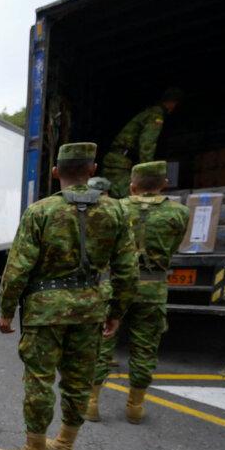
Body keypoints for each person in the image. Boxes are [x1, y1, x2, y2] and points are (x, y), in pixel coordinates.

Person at [0, 142, 138, 450]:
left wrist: (5, 310)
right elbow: (128, 270)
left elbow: (18, 268)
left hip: (45, 311)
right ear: (92, 169)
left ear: (56, 171)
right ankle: (65, 445)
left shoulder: (41, 212)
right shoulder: (116, 211)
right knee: (78, 381)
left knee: (39, 380)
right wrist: (116, 311)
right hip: (91, 310)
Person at [88, 161, 189, 424]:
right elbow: (175, 246)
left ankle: (91, 403)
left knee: (102, 344)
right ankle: (135, 406)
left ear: (132, 185)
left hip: (115, 285)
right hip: (153, 288)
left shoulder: (116, 208)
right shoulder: (179, 212)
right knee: (145, 348)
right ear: (164, 184)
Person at [100, 87, 183, 199]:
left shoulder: (149, 112)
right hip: (119, 163)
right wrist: (148, 173)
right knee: (128, 200)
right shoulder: (156, 115)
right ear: (173, 103)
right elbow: (147, 145)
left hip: (117, 161)